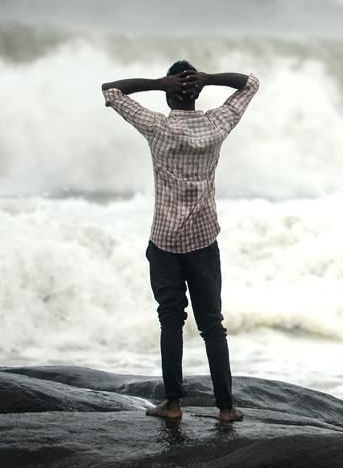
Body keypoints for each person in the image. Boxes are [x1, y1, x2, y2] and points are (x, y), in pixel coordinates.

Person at [100, 60, 259, 422]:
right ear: (199, 92)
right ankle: (226, 407)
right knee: (212, 324)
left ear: (170, 93)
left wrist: (159, 83)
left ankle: (172, 404)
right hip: (204, 240)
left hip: (166, 242)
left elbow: (111, 89)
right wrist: (208, 78)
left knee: (171, 319)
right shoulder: (217, 124)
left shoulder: (157, 127)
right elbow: (250, 83)